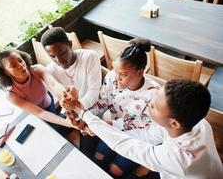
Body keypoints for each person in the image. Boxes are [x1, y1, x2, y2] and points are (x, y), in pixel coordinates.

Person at [66, 79, 223, 179]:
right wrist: (100, 126)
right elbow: (145, 135)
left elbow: (126, 146)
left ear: (174, 123)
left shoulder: (179, 158)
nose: (149, 103)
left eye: (154, 106)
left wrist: (83, 113)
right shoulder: (199, 123)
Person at [63, 38, 160, 178]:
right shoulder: (112, 77)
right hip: (111, 129)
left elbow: (135, 125)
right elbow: (102, 102)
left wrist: (98, 125)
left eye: (124, 74)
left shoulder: (153, 95)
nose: (117, 78)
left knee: (116, 170)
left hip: (136, 139)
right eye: (116, 71)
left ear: (139, 73)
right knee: (98, 157)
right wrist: (84, 118)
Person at [41, 27, 102, 157]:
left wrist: (77, 112)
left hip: (92, 110)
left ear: (70, 44)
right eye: (52, 56)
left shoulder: (89, 57)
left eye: (62, 53)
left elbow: (94, 92)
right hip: (71, 112)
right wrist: (71, 116)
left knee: (86, 154)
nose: (59, 60)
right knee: (52, 138)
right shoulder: (51, 70)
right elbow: (61, 99)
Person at [0, 48, 73, 130]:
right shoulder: (11, 94)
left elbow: (54, 85)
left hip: (48, 100)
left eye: (20, 60)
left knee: (57, 118)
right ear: (6, 72)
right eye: (13, 65)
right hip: (39, 114)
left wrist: (65, 94)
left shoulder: (37, 69)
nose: (20, 65)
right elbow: (40, 112)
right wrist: (68, 123)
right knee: (54, 129)